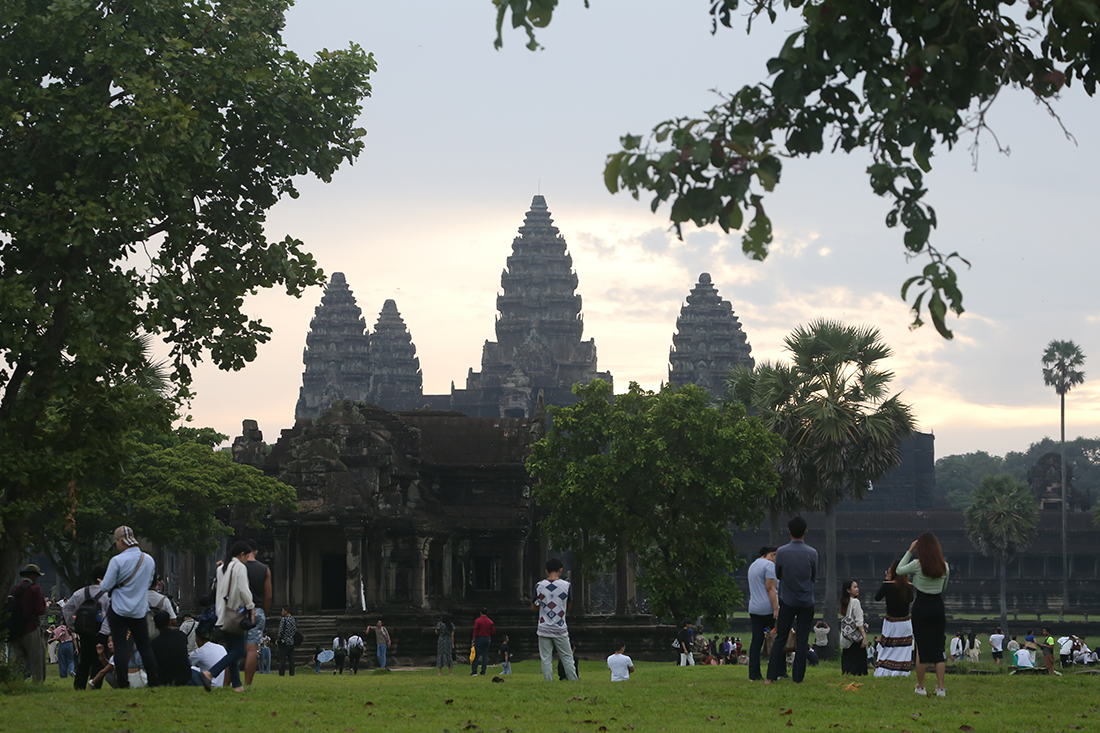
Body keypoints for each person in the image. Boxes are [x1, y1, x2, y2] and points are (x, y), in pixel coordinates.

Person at [100, 526, 160, 688]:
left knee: (120, 646)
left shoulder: (117, 561)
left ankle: (123, 682)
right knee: (144, 645)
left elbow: (105, 586)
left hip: (119, 608)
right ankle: (153, 680)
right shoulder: (148, 560)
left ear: (121, 541)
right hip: (139, 609)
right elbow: (149, 582)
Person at [765, 516, 818, 685]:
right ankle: (798, 679)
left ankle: (770, 677)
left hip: (787, 600)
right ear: (806, 532)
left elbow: (778, 574)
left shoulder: (781, 552)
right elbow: (813, 576)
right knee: (802, 640)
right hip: (806, 600)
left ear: (788, 531)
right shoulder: (812, 553)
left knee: (780, 638)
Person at [896, 532, 950, 697]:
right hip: (937, 606)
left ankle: (921, 687)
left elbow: (899, 570)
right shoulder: (944, 566)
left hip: (921, 606)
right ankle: (941, 688)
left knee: (921, 647)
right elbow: (943, 587)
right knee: (939, 647)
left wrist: (910, 550)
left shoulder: (917, 565)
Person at [199, 540, 255, 692]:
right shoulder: (239, 567)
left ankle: (237, 684)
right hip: (235, 614)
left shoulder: (221, 568)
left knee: (232, 650)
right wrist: (251, 607)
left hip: (222, 614)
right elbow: (243, 590)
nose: (247, 560)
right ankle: (210, 673)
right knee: (239, 651)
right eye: (246, 556)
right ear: (241, 554)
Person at [62, 565, 111, 690]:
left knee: (84, 660)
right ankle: (94, 685)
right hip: (101, 632)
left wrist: (73, 626)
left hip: (84, 632)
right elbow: (111, 613)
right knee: (98, 660)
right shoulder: (107, 595)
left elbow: (66, 609)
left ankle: (79, 686)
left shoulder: (80, 593)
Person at [532, 557, 578, 681]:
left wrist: (545, 608)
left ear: (546, 571)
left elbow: (533, 607)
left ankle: (549, 681)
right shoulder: (566, 586)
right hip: (560, 627)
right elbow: (568, 606)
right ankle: (573, 680)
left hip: (544, 628)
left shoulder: (539, 586)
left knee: (546, 659)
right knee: (567, 657)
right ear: (560, 570)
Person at [7, 563, 48, 682]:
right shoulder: (35, 589)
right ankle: (37, 683)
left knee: (17, 659)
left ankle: (14, 682)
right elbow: (40, 610)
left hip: (16, 628)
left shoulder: (15, 589)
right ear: (33, 576)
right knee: (37, 658)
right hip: (31, 627)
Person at [150, 610, 211, 689]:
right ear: (170, 622)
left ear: (155, 625)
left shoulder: (154, 644)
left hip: (164, 677)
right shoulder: (181, 636)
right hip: (184, 676)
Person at [873, 559, 914, 677]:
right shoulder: (909, 586)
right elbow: (910, 600)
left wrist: (887, 580)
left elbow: (877, 597)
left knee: (887, 647)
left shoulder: (888, 585)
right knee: (903, 648)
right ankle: (902, 671)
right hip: (905, 622)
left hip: (891, 622)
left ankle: (885, 670)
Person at [746, 545, 779, 681]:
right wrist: (776, 608)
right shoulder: (769, 565)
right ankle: (780, 670)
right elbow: (770, 588)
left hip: (754, 608)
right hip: (768, 608)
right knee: (779, 639)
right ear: (773, 554)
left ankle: (754, 674)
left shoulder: (753, 565)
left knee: (756, 642)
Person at [244, 539, 272, 686]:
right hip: (257, 609)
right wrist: (262, 610)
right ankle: (248, 683)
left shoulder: (237, 567)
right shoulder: (264, 569)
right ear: (256, 551)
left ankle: (228, 682)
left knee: (233, 648)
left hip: (239, 610)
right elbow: (268, 596)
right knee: (252, 649)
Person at [839, 580, 868, 675]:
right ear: (848, 590)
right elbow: (859, 621)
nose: (857, 589)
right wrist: (864, 636)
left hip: (846, 636)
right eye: (854, 587)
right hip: (855, 637)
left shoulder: (845, 602)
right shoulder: (855, 602)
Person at [471, 608, 495, 676]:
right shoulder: (490, 621)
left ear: (480, 612)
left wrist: (473, 640)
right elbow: (493, 631)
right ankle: (483, 671)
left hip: (479, 638)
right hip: (486, 638)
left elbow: (475, 630)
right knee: (485, 655)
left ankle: (474, 671)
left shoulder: (478, 621)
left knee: (476, 655)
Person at [276, 607, 297, 676]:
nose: (282, 612)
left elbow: (280, 630)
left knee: (282, 658)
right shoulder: (293, 619)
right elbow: (295, 630)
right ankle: (292, 673)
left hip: (284, 641)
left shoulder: (284, 619)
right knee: (291, 659)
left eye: (283, 611)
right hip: (291, 641)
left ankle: (282, 673)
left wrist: (278, 638)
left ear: (286, 611)